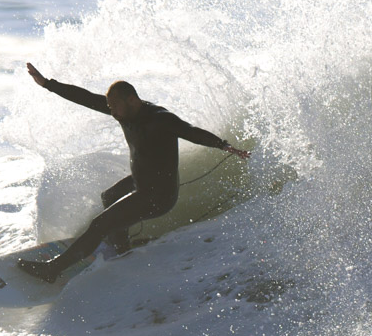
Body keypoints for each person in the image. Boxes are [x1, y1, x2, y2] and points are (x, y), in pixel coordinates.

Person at [17, 62, 250, 283]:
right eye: (110, 107)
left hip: (158, 196)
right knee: (108, 197)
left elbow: (191, 131)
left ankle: (52, 270)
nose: (112, 113)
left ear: (132, 100)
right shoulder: (123, 112)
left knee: (101, 224)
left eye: (115, 107)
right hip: (141, 183)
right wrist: (47, 83)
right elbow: (86, 98)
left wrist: (224, 145)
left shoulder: (161, 119)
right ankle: (122, 251)